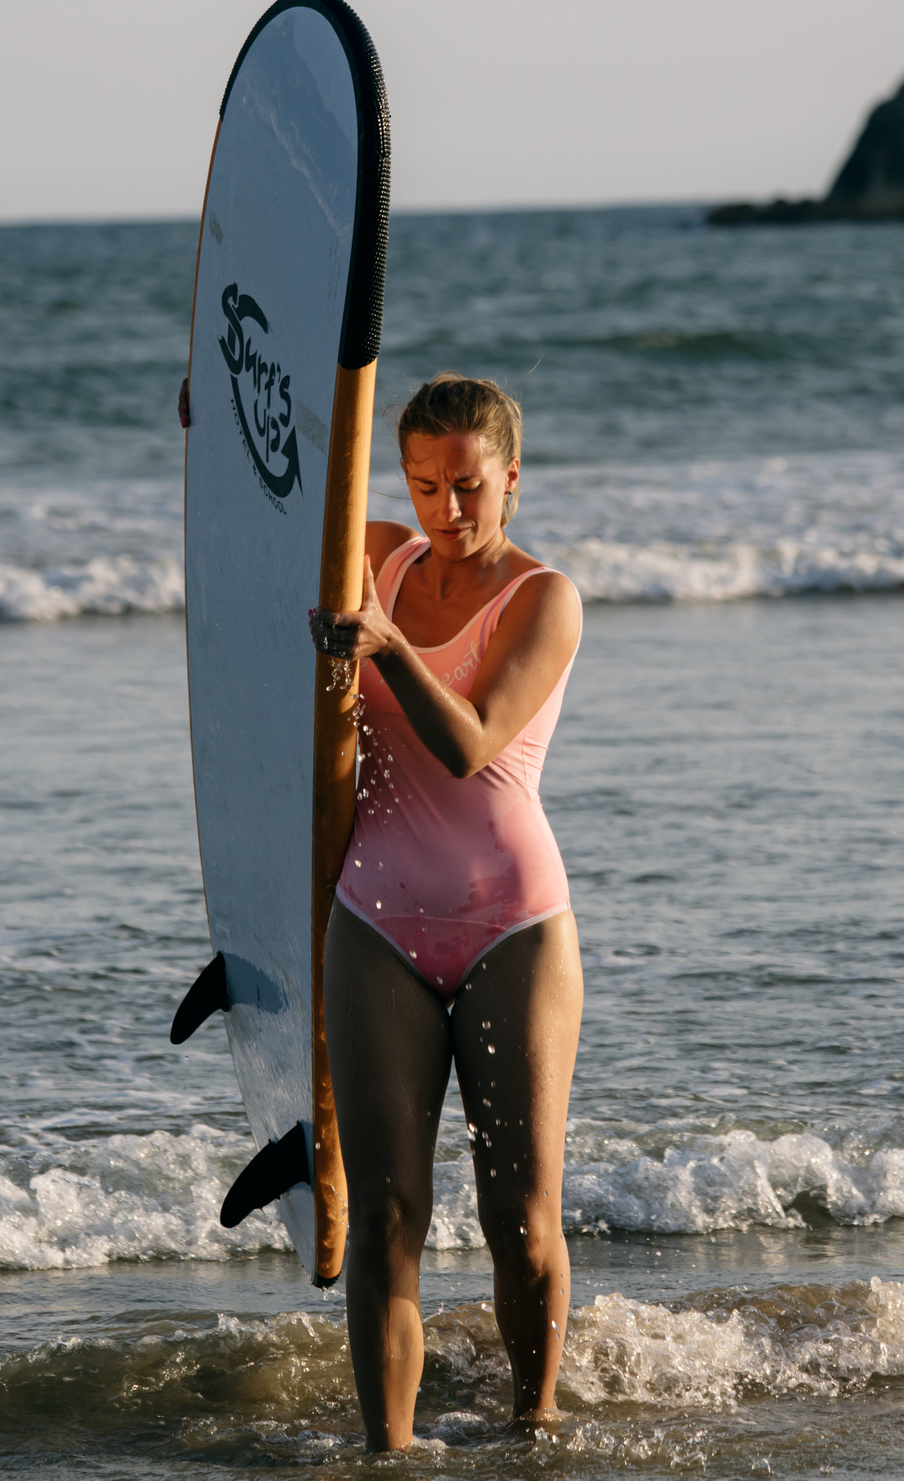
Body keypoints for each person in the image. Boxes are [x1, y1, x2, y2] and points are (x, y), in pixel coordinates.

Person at [305, 372, 585, 1449]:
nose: (447, 509)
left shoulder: (544, 599)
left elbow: (470, 742)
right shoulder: (377, 556)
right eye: (424, 485)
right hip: (375, 918)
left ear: (512, 479)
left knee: (520, 1218)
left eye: (468, 485)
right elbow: (272, 500)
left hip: (512, 922)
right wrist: (214, 419)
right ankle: (389, 1451)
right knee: (386, 1212)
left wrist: (384, 645)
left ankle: (535, 1431)